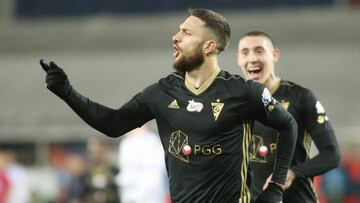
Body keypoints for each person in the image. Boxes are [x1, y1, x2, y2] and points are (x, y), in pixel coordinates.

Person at [40, 9, 297, 203]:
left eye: (186, 33)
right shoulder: (162, 92)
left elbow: (288, 125)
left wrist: (275, 185)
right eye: (178, 31)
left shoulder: (244, 92)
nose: (175, 38)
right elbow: (113, 124)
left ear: (209, 46)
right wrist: (67, 92)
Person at [237, 31, 340, 203]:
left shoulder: (300, 97)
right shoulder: (235, 103)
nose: (252, 58)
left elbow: (332, 154)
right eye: (245, 52)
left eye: (259, 51)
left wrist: (292, 173)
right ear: (239, 59)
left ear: (275, 55)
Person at [116, 125, 169, 203]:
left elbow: (160, 167)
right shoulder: (126, 143)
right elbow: (125, 169)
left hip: (151, 191)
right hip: (130, 192)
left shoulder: (152, 141)